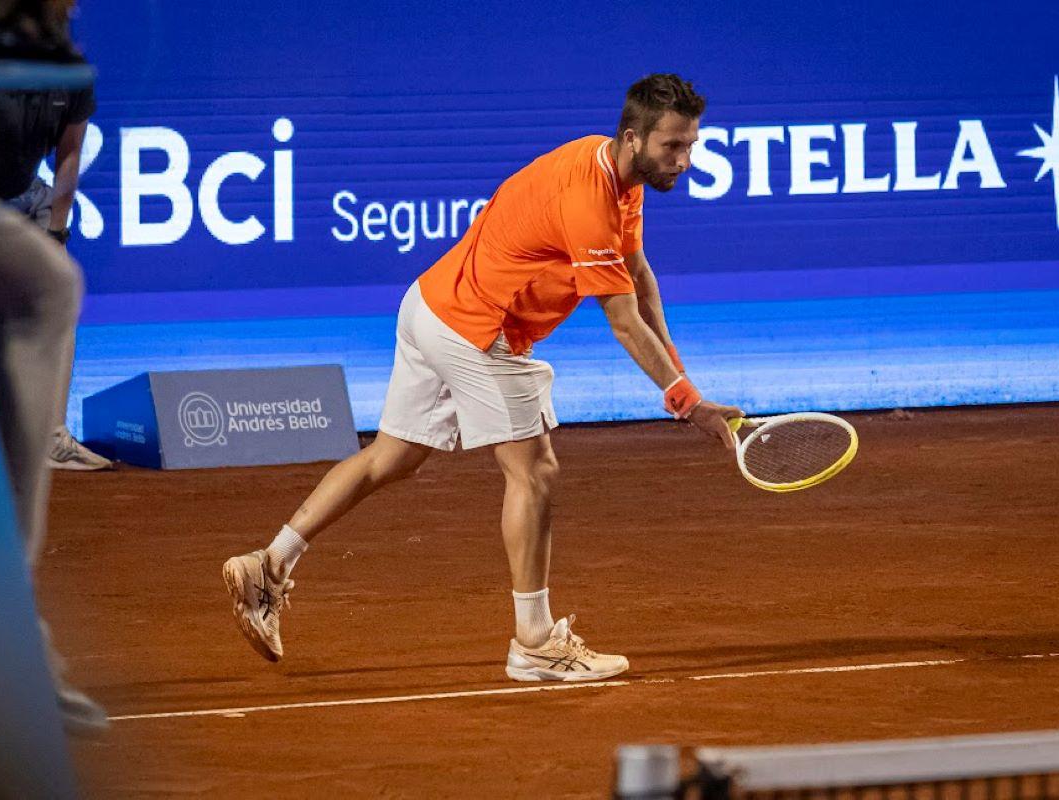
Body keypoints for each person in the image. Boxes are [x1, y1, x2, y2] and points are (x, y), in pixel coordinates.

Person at [224, 73, 742, 681]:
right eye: (672, 147)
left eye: (689, 146)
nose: (685, 160)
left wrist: (683, 379)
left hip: (430, 305)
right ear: (633, 139)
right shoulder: (588, 198)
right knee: (534, 470)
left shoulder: (619, 179)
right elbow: (623, 321)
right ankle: (535, 643)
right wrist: (688, 402)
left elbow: (639, 276)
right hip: (476, 327)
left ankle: (269, 563)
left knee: (389, 459)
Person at [0, 0, 109, 470]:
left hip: (27, 196)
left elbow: (70, 155)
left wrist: (57, 227)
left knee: (58, 301)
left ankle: (51, 437)